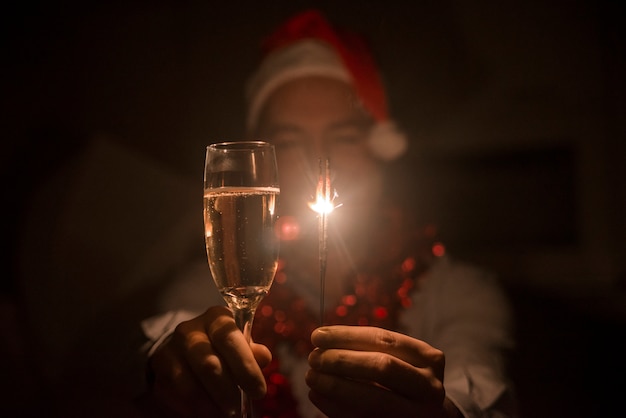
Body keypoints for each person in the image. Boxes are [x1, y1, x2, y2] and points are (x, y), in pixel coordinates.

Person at [139, 9, 516, 418]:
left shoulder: (456, 293)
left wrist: (442, 410)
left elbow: (479, 386)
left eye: (344, 137)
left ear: (379, 152)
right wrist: (172, 363)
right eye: (290, 140)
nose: (320, 161)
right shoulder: (214, 286)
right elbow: (165, 336)